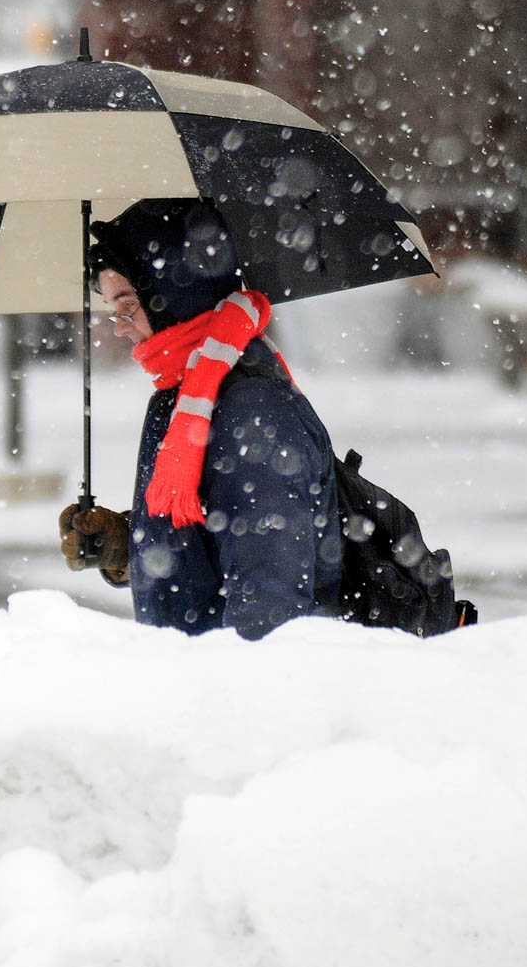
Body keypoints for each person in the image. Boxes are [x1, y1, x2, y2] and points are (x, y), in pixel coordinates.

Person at [59, 198, 343, 640]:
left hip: (226, 695)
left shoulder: (252, 413)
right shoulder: (189, 391)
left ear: (174, 296)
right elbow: (209, 540)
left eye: (128, 306)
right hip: (191, 685)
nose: (119, 327)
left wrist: (221, 702)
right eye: (114, 311)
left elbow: (270, 608)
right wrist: (126, 543)